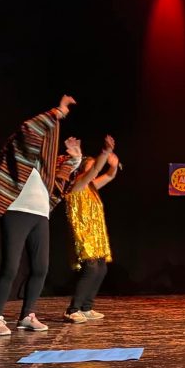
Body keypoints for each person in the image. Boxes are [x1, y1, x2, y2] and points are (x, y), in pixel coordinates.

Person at [0, 95, 82, 335]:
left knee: (41, 268)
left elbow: (61, 177)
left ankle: (27, 315)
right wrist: (58, 112)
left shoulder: (45, 166)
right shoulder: (17, 150)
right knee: (10, 267)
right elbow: (29, 129)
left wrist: (75, 158)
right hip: (16, 211)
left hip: (40, 215)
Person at [63, 136, 119, 324]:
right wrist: (105, 152)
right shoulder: (77, 184)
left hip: (95, 235)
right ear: (81, 169)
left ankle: (86, 307)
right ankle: (72, 310)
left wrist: (113, 165)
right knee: (91, 269)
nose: (95, 171)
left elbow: (109, 176)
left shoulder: (91, 187)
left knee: (101, 269)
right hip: (83, 234)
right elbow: (94, 170)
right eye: (91, 167)